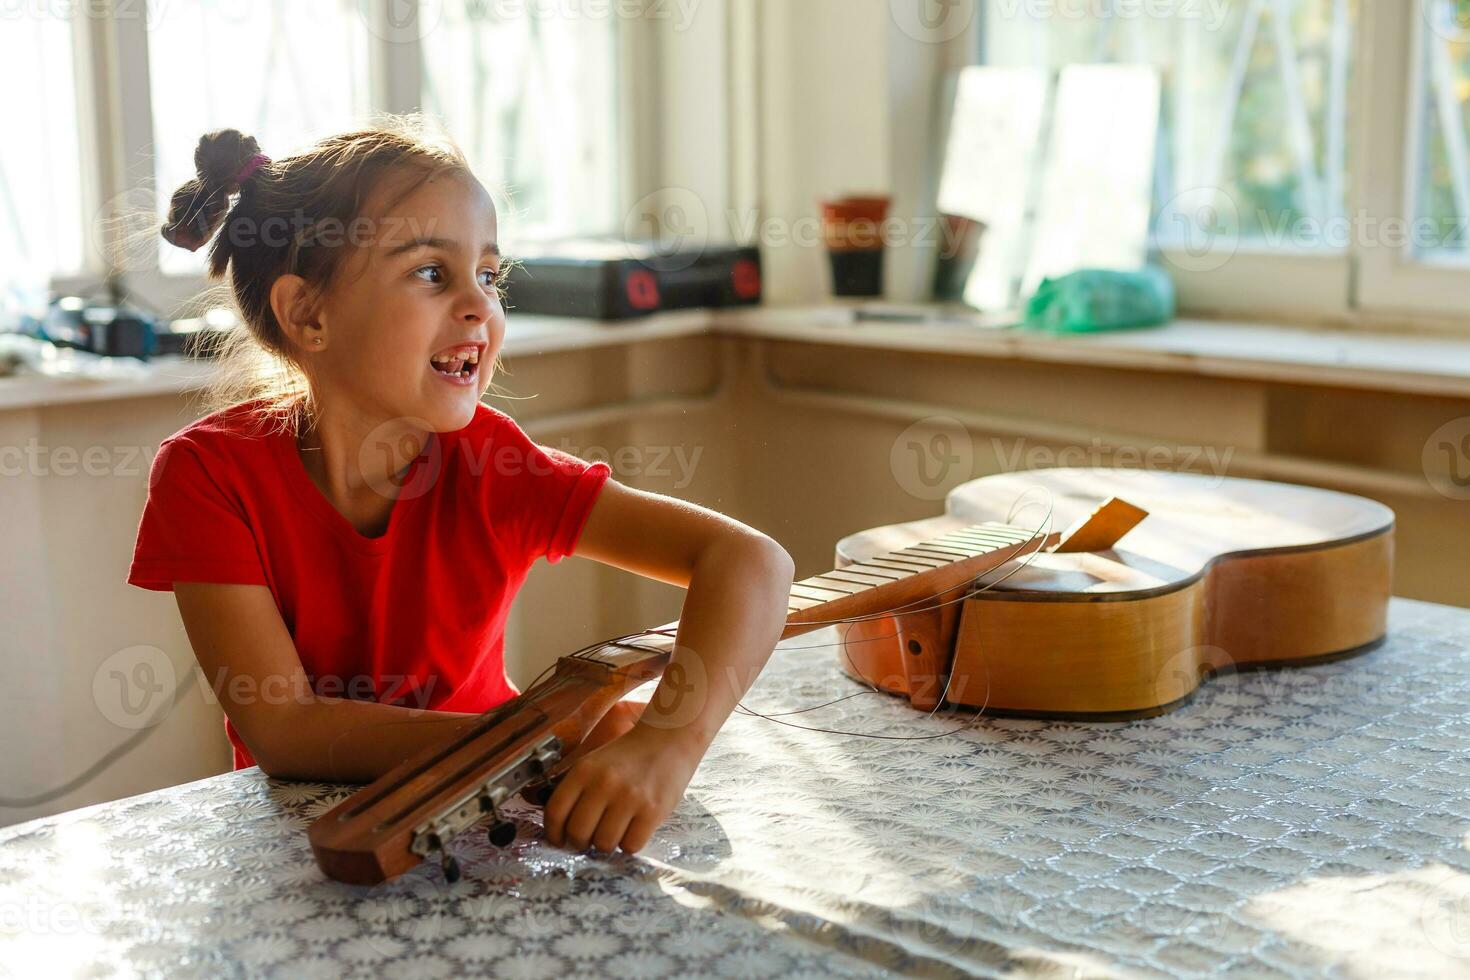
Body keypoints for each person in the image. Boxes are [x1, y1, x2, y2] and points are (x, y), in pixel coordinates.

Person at [127, 121, 794, 855]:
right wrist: (545, 738)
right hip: (308, 848)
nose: (481, 307)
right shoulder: (208, 476)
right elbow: (285, 728)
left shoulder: (492, 463)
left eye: (490, 276)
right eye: (429, 273)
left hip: (495, 830)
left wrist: (665, 747)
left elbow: (751, 561)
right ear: (307, 313)